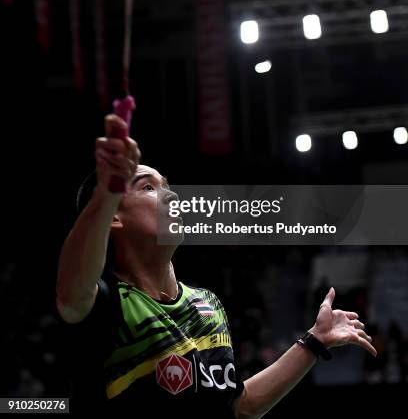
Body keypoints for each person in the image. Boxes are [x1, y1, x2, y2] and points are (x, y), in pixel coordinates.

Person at [56, 114, 377, 418]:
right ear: (113, 217)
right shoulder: (110, 305)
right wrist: (106, 192)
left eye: (167, 185)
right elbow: (72, 292)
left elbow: (239, 406)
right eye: (148, 187)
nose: (170, 196)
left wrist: (314, 341)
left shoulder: (206, 305)